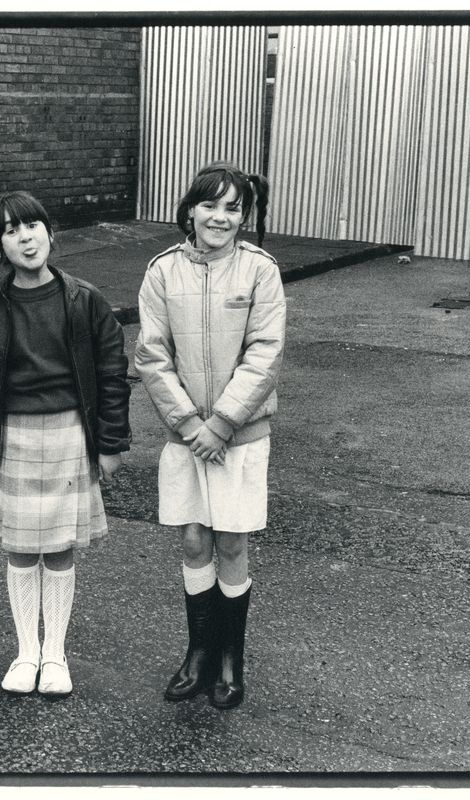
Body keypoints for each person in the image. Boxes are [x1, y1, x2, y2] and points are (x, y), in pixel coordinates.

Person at [0, 190, 131, 698]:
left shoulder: (86, 300)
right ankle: (25, 652)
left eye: (32, 226)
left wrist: (110, 442)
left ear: (50, 233)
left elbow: (112, 375)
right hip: (12, 438)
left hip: (71, 435)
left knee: (59, 551)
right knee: (20, 551)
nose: (25, 237)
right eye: (10, 231)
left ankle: (55, 655)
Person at [134, 161, 285, 709]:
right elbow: (152, 354)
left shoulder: (260, 271)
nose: (220, 217)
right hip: (185, 435)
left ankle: (230, 659)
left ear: (243, 217)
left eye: (232, 208)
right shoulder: (161, 271)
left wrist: (221, 423)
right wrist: (189, 424)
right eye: (210, 205)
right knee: (194, 539)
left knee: (231, 541)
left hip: (240, 436)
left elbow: (265, 354)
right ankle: (199, 654)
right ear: (190, 210)